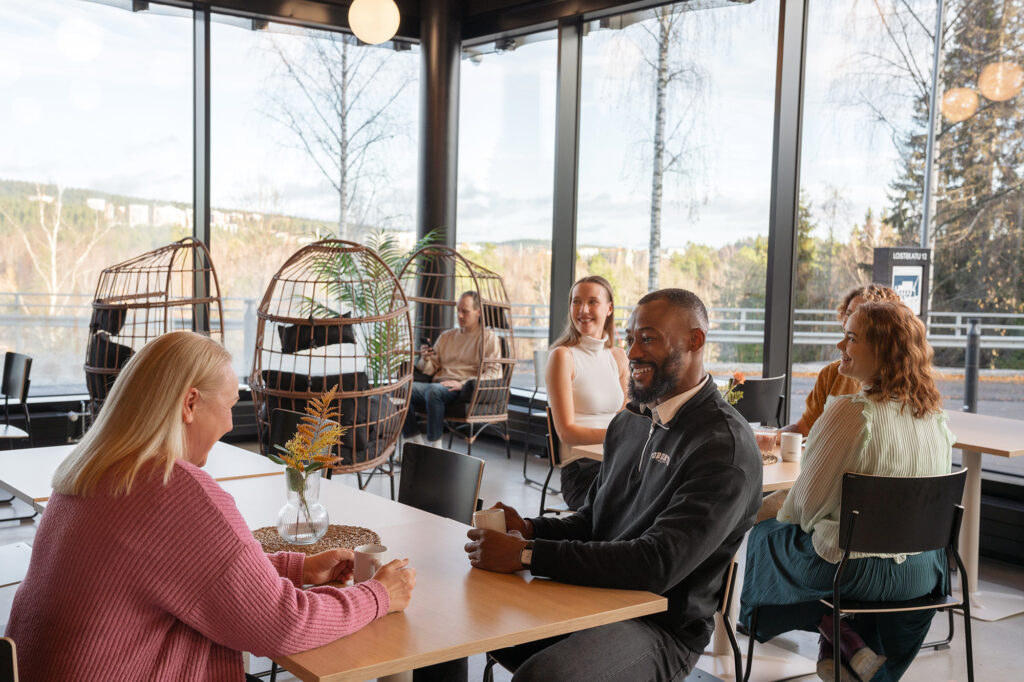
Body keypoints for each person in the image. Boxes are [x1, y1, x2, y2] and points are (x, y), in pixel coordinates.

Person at [5, 331, 416, 682]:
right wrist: (378, 595)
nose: (231, 424)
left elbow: (179, 570)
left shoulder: (95, 469)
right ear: (190, 403)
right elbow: (282, 626)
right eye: (229, 404)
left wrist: (299, 569)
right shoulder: (172, 488)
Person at [464, 289, 763, 681]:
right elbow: (593, 521)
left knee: (547, 677)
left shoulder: (725, 449)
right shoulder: (629, 422)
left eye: (649, 338)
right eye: (630, 338)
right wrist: (530, 528)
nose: (633, 351)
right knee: (471, 618)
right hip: (595, 598)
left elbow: (656, 564)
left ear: (695, 341)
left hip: (659, 628)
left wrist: (527, 554)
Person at [740, 301, 954, 682]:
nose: (841, 345)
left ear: (883, 351)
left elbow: (805, 506)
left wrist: (772, 510)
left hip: (852, 574)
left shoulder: (850, 412)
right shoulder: (935, 418)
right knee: (825, 545)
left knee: (767, 536)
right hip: (925, 574)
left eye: (851, 338)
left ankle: (808, 626)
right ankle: (845, 644)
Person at [545, 275, 628, 509]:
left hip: (617, 461)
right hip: (582, 470)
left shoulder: (618, 357)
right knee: (634, 503)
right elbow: (566, 434)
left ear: (609, 308)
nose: (583, 309)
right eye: (576, 301)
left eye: (592, 302)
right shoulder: (563, 356)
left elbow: (627, 419)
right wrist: (619, 436)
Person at [781, 284, 902, 437]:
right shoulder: (831, 374)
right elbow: (805, 428)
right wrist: (762, 437)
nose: (850, 321)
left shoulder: (901, 380)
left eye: (859, 315)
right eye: (849, 313)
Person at [403, 290, 501, 448]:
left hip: (461, 387)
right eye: (458, 311)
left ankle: (436, 447)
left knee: (433, 391)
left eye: (465, 312)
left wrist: (464, 384)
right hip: (438, 383)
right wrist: (424, 358)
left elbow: (494, 372)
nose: (460, 316)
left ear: (478, 312)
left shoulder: (488, 338)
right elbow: (429, 370)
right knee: (401, 390)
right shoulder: (446, 336)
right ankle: (415, 441)